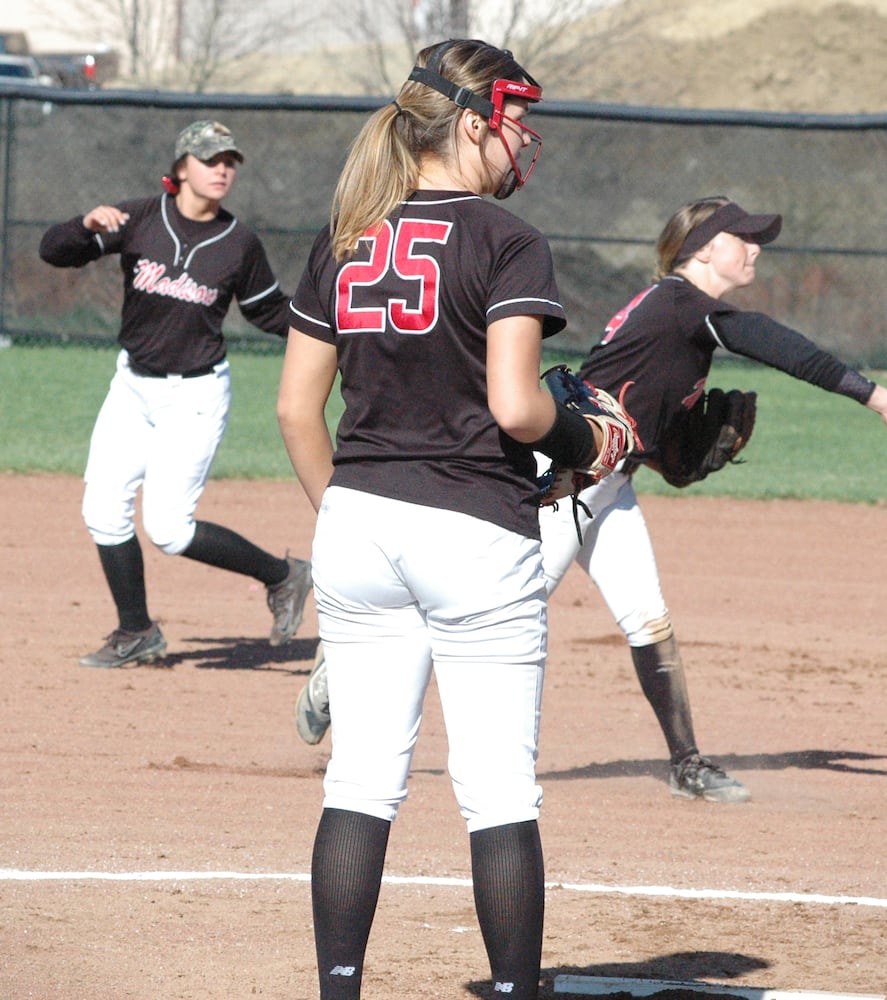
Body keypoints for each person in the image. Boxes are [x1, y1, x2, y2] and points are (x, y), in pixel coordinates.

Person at [276, 39, 626, 1000]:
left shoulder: (344, 230)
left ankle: (338, 991)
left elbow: (296, 410)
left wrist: (347, 513)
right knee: (498, 795)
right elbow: (516, 409)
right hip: (472, 528)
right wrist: (590, 443)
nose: (527, 138)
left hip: (354, 525)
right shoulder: (508, 241)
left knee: (360, 784)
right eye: (517, 117)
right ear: (472, 123)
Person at [545, 196, 887, 803]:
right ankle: (343, 696)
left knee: (647, 616)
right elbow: (768, 340)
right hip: (561, 479)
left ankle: (687, 764)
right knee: (487, 611)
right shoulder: (681, 302)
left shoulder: (673, 312)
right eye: (743, 238)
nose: (755, 248)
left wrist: (663, 447)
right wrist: (878, 397)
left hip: (608, 480)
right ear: (703, 249)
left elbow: (632, 407)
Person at [38, 120, 312, 668]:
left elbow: (268, 311)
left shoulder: (238, 242)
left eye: (229, 161)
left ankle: (282, 576)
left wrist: (333, 330)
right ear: (181, 166)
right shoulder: (138, 218)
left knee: (168, 528)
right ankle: (136, 631)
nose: (222, 170)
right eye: (211, 159)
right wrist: (82, 224)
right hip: (132, 387)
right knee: (103, 510)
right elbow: (54, 252)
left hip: (195, 395)